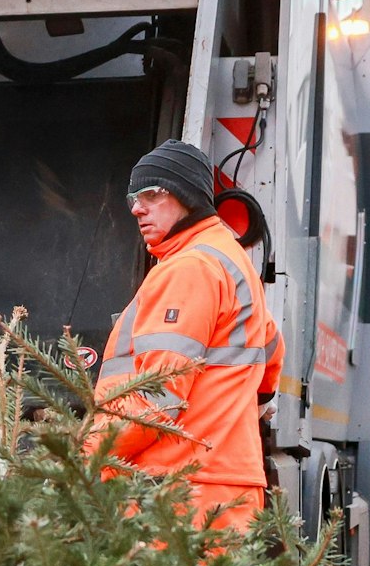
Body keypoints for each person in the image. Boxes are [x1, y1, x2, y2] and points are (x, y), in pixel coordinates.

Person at [92, 140, 284, 532]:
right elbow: (271, 353)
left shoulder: (189, 268)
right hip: (225, 487)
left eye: (151, 194)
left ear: (187, 195)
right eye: (133, 198)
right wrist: (241, 410)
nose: (137, 208)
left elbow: (157, 397)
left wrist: (86, 454)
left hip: (177, 492)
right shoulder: (231, 261)